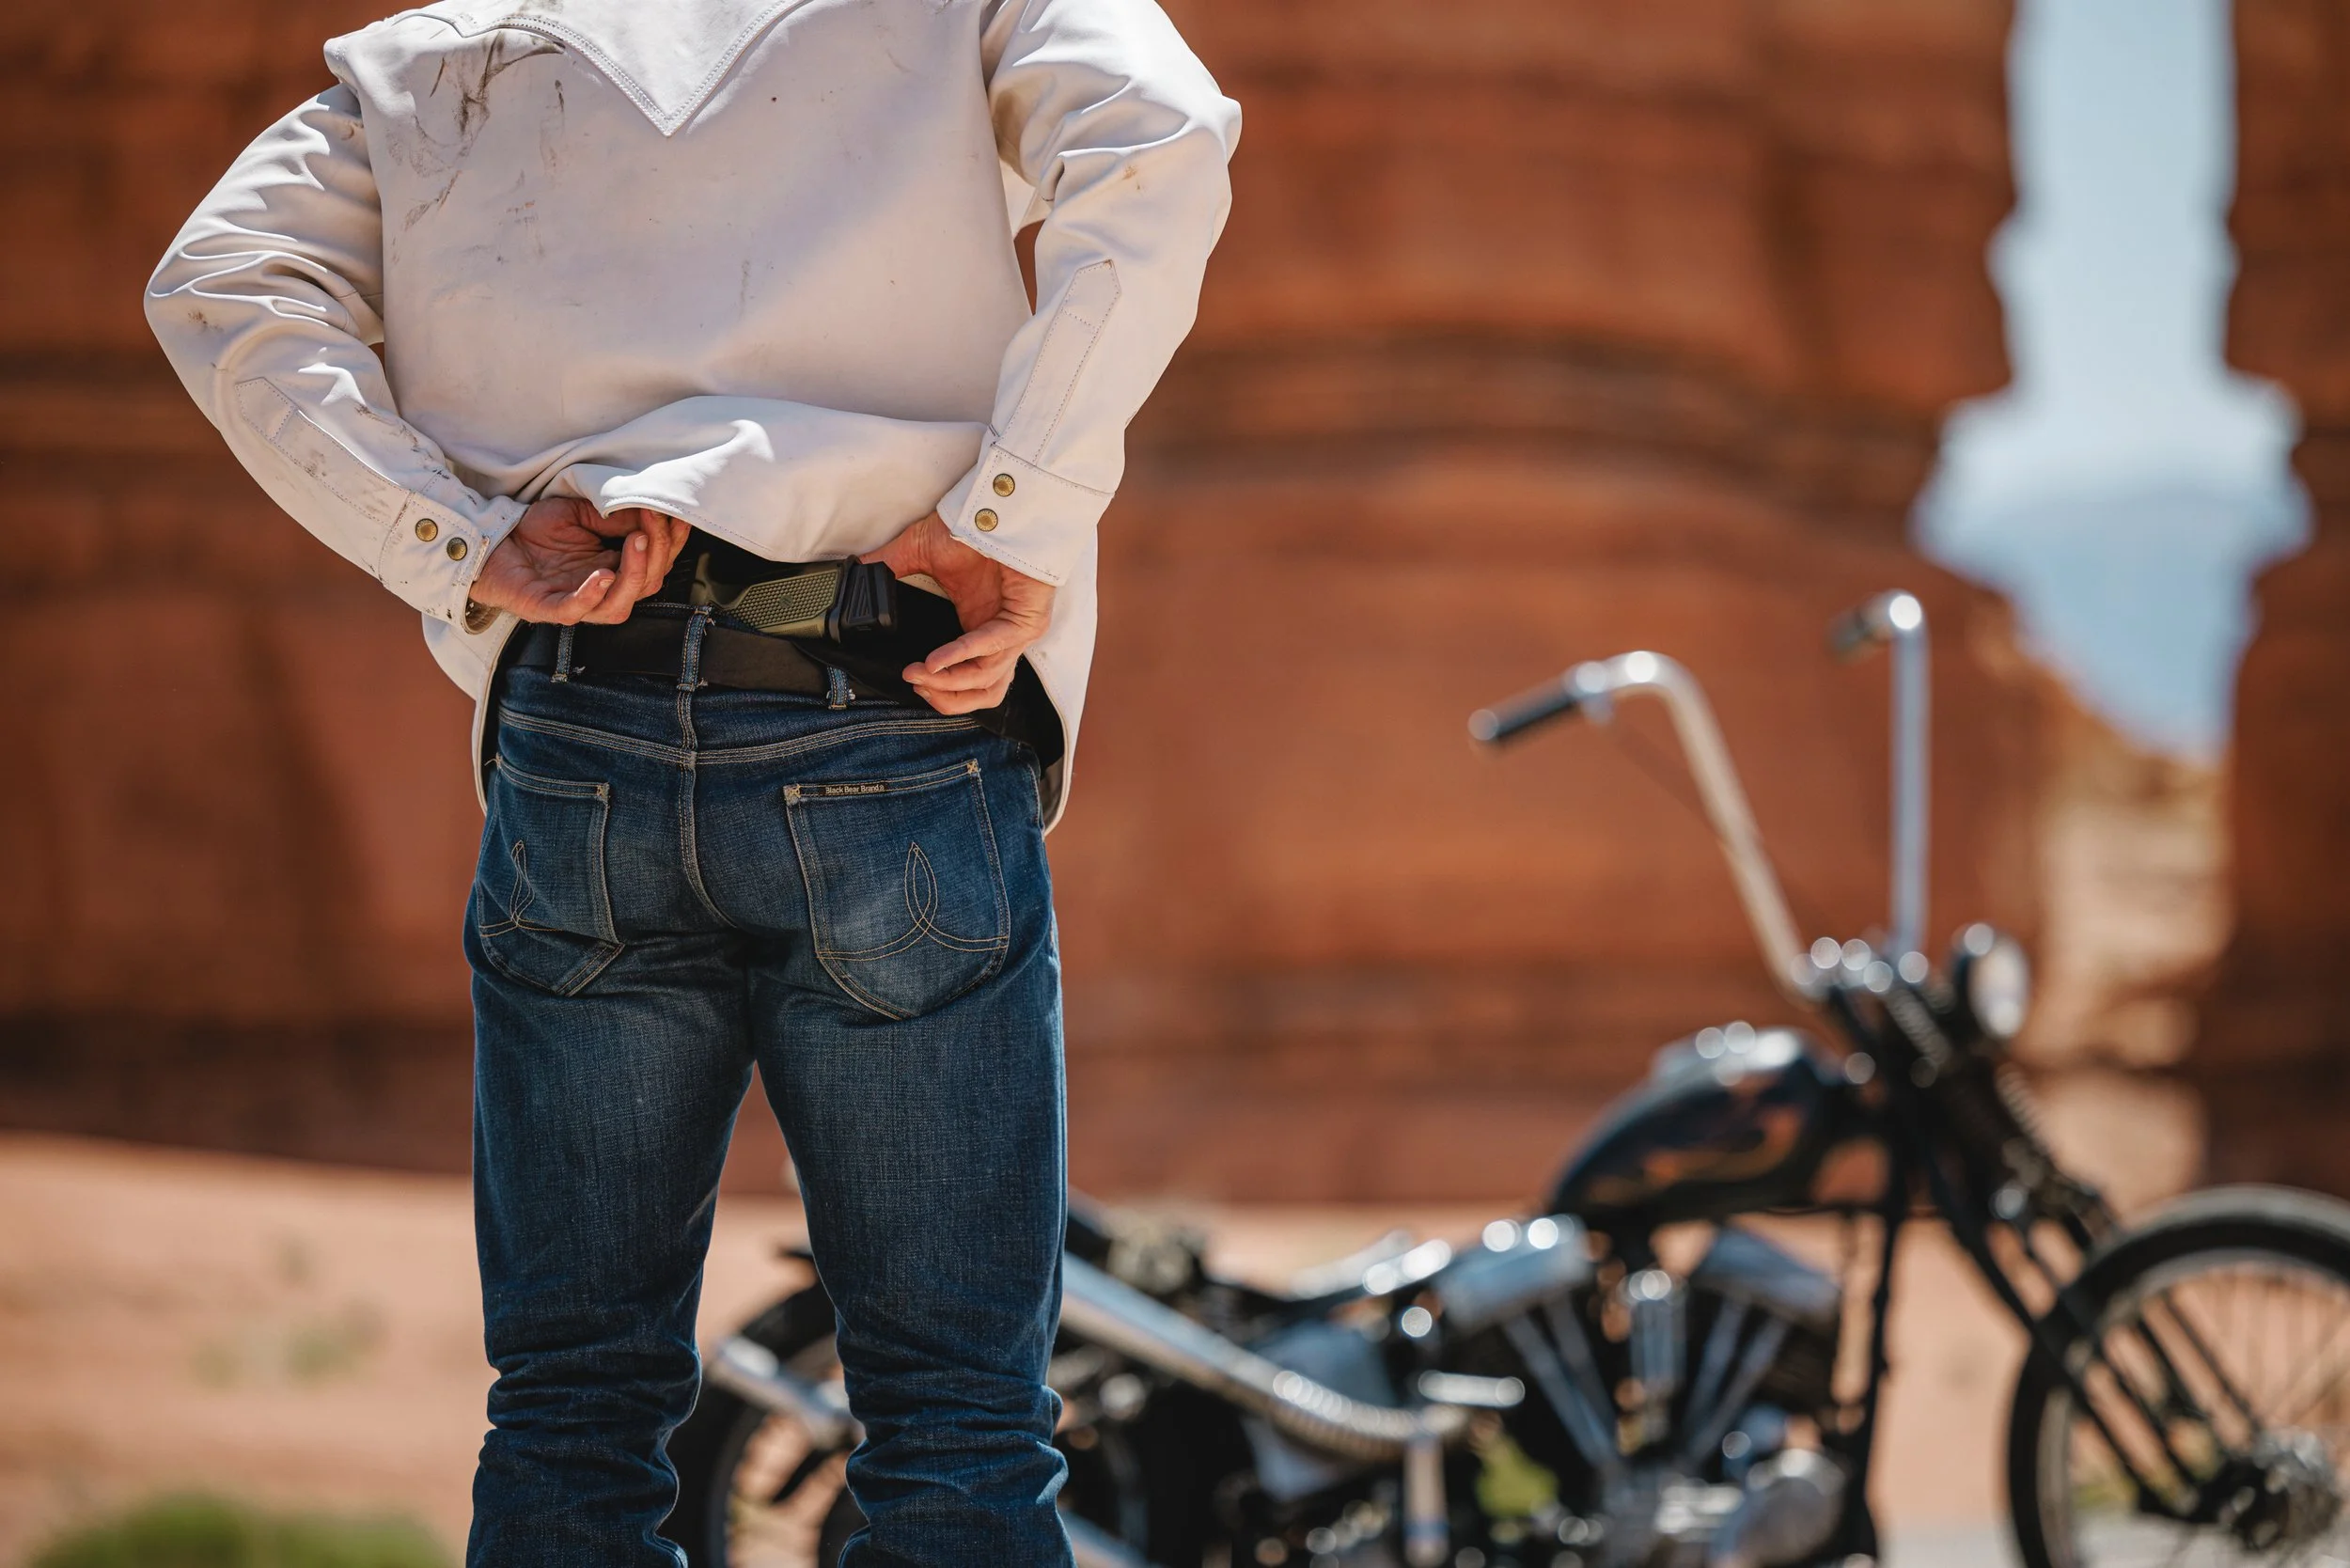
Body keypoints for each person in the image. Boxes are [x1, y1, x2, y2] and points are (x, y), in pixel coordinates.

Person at [145, 0, 1239, 1560]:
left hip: (579, 739)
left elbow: (218, 282)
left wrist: (456, 539)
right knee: (956, 1419)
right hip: (889, 710)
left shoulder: (442, 47)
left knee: (571, 1406)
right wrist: (1013, 501)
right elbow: (1167, 136)